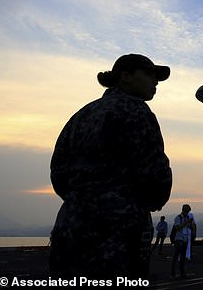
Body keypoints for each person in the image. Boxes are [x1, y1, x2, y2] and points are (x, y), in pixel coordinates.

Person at [49, 54, 172, 279]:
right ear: (125, 76)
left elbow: (58, 172)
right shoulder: (136, 111)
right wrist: (149, 200)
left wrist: (81, 199)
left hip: (70, 225)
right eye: (148, 74)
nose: (155, 82)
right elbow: (155, 172)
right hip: (119, 231)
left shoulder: (81, 115)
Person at [171, 204, 193, 279]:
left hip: (185, 239)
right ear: (184, 210)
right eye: (187, 211)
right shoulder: (178, 218)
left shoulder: (187, 218)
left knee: (183, 258)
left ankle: (182, 273)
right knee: (176, 257)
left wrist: (190, 224)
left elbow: (188, 228)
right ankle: (173, 273)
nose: (188, 213)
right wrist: (186, 222)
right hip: (179, 239)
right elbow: (177, 228)